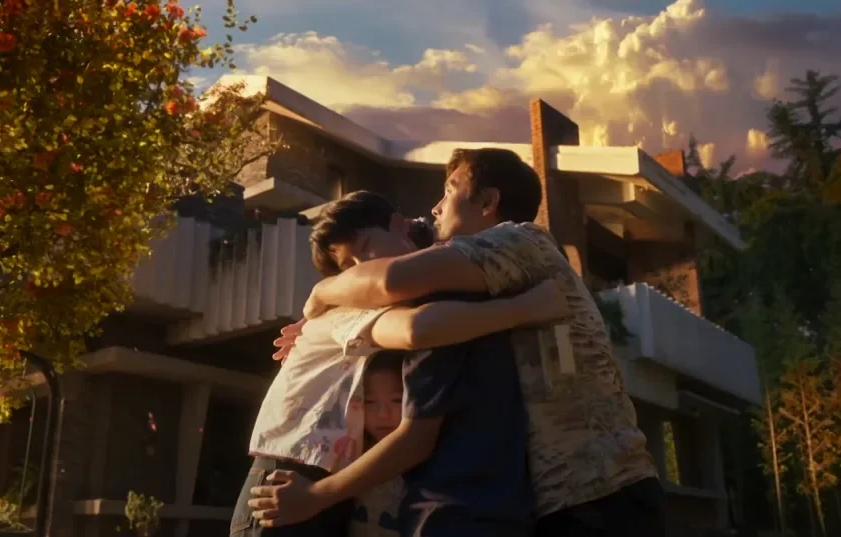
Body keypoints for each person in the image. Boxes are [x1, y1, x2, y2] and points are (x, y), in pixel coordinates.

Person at [257, 149, 665, 537]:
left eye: (450, 190)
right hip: (560, 502)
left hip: (601, 493)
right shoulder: (483, 288)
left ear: (488, 201)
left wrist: (323, 293)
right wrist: (328, 323)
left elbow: (392, 280)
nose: (435, 208)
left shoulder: (522, 240)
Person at [230, 190, 566, 537]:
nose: (361, 268)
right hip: (283, 486)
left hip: (320, 488)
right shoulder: (347, 310)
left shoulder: (429, 282)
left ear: (397, 225)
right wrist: (527, 308)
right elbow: (414, 330)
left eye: (365, 248)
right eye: (347, 268)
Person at [350, 352, 405, 537]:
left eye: (397, 400)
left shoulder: (431, 454)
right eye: (370, 401)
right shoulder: (348, 452)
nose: (383, 414)